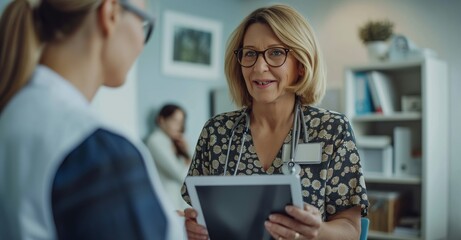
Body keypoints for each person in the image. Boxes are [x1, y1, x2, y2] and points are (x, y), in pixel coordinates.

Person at [0, 0, 185, 239]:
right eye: (143, 24)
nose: (141, 43)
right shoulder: (102, 154)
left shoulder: (13, 113)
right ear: (110, 14)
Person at [182, 4, 368, 240]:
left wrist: (315, 231)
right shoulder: (217, 132)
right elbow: (197, 216)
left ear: (300, 64)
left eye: (276, 52)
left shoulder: (331, 130)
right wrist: (190, 228)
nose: (259, 67)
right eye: (250, 53)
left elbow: (351, 230)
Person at [146, 104, 192, 211]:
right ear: (161, 120)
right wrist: (188, 156)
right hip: (167, 203)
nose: (179, 126)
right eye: (174, 121)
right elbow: (181, 175)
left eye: (181, 122)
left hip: (180, 204)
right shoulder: (155, 141)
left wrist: (186, 151)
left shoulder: (174, 142)